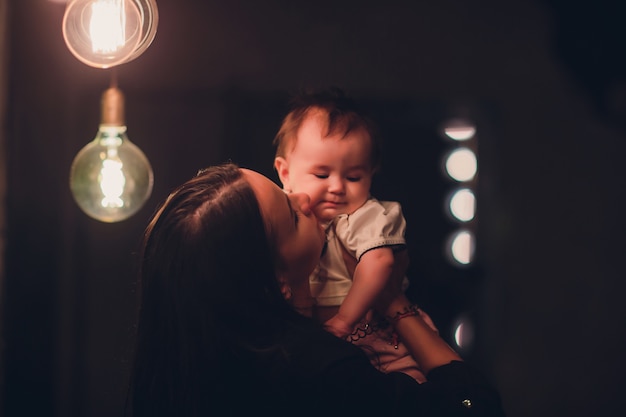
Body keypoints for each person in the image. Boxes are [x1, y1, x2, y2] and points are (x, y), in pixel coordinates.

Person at [127, 162, 506, 416]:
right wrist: (392, 299)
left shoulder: (205, 370)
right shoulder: (317, 372)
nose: (305, 197)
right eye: (292, 216)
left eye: (283, 190)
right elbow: (474, 405)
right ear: (275, 280)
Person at [273, 87, 434, 381]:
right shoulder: (281, 216)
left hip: (376, 334)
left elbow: (380, 262)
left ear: (371, 174)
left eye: (353, 177)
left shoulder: (363, 216)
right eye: (321, 175)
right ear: (285, 174)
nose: (337, 187)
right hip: (319, 338)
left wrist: (345, 320)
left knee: (408, 385)